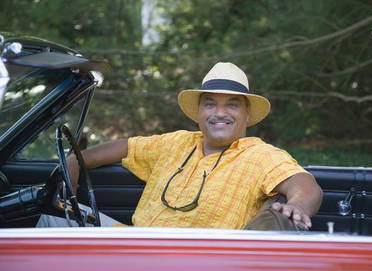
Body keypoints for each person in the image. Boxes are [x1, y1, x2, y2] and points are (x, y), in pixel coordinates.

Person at [37, 62, 322, 229]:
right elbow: (123, 147)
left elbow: (305, 184)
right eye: (210, 104)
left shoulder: (260, 155)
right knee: (48, 223)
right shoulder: (175, 142)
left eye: (232, 105)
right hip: (131, 243)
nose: (219, 113)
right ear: (198, 113)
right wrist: (74, 161)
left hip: (197, 262)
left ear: (247, 115)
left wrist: (297, 205)